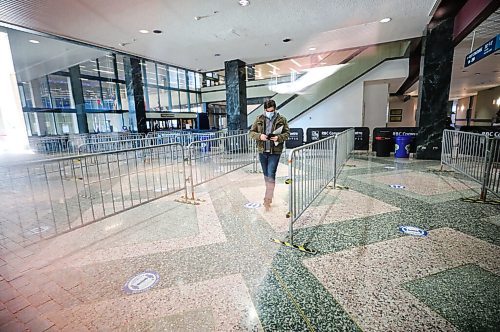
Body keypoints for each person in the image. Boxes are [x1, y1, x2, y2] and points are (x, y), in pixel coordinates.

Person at [249, 100, 290, 210]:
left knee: (271, 174)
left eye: (272, 110)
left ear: (275, 109)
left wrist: (279, 137)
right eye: (268, 110)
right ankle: (269, 194)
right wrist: (259, 136)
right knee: (266, 175)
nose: (270, 112)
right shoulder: (259, 119)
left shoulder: (282, 119)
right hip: (262, 151)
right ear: (265, 109)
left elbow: (287, 133)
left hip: (275, 151)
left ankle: (268, 198)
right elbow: (251, 132)